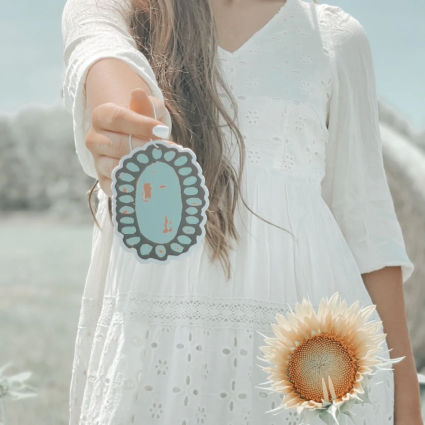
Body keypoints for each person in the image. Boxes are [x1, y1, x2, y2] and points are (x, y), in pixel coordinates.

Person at [61, 0, 423, 424]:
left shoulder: (336, 37)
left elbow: (367, 225)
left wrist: (406, 401)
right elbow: (107, 63)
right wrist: (128, 135)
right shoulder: (123, 11)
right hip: (159, 359)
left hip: (311, 363)